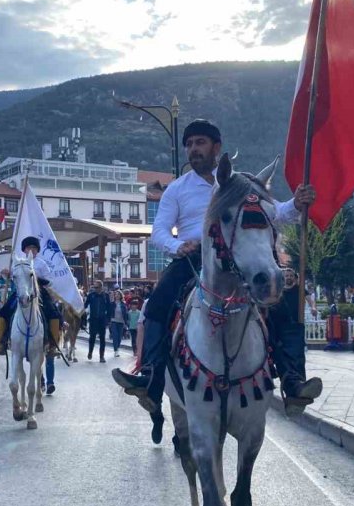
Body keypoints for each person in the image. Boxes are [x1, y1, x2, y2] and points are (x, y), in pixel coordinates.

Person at [111, 119, 321, 441]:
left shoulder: (241, 184)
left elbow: (276, 213)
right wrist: (177, 245)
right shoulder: (178, 189)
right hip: (194, 258)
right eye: (190, 144)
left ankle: (292, 381)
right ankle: (151, 379)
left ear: (216, 148)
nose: (194, 149)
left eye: (201, 143)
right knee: (158, 301)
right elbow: (159, 231)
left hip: (240, 257)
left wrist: (298, 202)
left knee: (286, 298)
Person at [267, 269, 326, 416]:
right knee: (283, 356)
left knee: (297, 357)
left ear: (294, 277)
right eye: (285, 276)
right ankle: (294, 390)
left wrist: (313, 307)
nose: (288, 278)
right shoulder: (275, 291)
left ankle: (299, 390)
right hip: (278, 328)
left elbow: (309, 298)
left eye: (290, 276)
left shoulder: (299, 290)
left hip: (295, 326)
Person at [0, 237, 63, 355]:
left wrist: (36, 278)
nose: (31, 250)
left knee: (54, 314)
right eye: (29, 247)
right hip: (21, 291)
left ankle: (52, 344)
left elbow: (50, 281)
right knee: (3, 313)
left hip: (39, 293)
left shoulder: (41, 264)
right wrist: (7, 274)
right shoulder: (18, 262)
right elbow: (12, 278)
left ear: (37, 250)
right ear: (24, 249)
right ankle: (1, 342)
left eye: (34, 248)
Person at [84, 280, 111, 362]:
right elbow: (85, 305)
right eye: (94, 287)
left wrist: (108, 320)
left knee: (102, 339)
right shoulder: (91, 295)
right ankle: (90, 352)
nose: (95, 289)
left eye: (97, 287)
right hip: (93, 319)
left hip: (102, 320)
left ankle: (101, 356)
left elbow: (109, 308)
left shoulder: (106, 296)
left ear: (101, 287)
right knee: (92, 337)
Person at [109, 290, 128, 358]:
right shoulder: (112, 304)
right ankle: (116, 350)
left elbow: (125, 314)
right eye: (116, 294)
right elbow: (109, 313)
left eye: (118, 294)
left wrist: (126, 323)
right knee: (115, 336)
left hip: (121, 322)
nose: (116, 296)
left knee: (119, 337)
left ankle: (118, 347)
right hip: (114, 321)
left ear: (120, 296)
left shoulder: (123, 304)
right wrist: (108, 321)